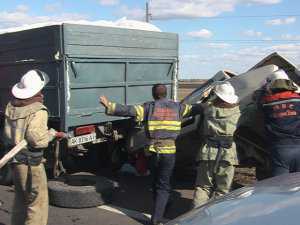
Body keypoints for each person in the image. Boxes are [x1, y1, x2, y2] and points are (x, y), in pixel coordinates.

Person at [100, 84, 198, 225]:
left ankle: (162, 208)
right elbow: (196, 109)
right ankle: (158, 216)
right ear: (166, 94)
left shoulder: (148, 107)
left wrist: (109, 105)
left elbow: (129, 110)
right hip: (169, 153)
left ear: (153, 95)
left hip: (153, 152)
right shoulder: (179, 107)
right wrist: (211, 103)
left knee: (157, 182)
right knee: (163, 184)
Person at [3, 69, 66, 225]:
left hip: (16, 161)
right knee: (37, 205)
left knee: (21, 201)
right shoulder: (37, 110)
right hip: (31, 164)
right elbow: (36, 139)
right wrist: (52, 134)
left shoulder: (11, 106)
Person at [192, 81, 240, 208]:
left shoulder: (208, 109)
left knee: (203, 187)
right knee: (223, 190)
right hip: (228, 153)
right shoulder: (238, 112)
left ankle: (196, 217)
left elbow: (200, 104)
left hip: (207, 151)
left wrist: (208, 95)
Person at [258, 69, 300, 176]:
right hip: (298, 145)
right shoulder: (298, 100)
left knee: (281, 186)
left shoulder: (266, 103)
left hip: (280, 149)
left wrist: (263, 90)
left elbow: (257, 106)